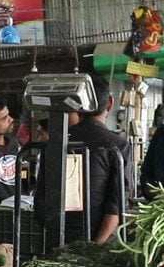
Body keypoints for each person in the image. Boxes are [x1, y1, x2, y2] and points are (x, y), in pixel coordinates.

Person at [44, 71, 133, 243]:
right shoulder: (118, 146)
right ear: (110, 103)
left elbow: (43, 196)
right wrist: (96, 246)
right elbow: (117, 206)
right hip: (99, 236)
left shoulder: (57, 142)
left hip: (57, 236)